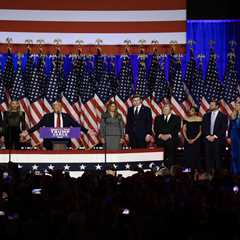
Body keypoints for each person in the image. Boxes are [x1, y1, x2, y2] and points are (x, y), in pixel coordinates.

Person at [21, 101, 94, 150]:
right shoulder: (47, 117)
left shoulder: (66, 116)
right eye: (55, 106)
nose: (57, 107)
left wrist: (87, 131)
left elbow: (76, 125)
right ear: (52, 107)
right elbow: (38, 126)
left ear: (61, 107)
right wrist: (28, 132)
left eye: (58, 106)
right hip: (50, 141)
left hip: (64, 141)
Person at [202, 100, 228, 173]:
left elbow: (223, 128)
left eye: (212, 105)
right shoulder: (206, 115)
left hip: (218, 141)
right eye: (210, 105)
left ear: (217, 106)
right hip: (207, 140)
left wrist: (214, 136)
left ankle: (218, 176)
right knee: (208, 158)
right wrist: (208, 136)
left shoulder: (223, 116)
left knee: (217, 159)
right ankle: (208, 175)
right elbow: (203, 127)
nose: (210, 106)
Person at [154, 104, 181, 168]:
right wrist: (160, 135)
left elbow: (177, 129)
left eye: (166, 109)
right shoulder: (158, 118)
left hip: (171, 141)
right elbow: (155, 129)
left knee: (171, 159)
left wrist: (169, 135)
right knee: (160, 159)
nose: (164, 110)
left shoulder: (176, 118)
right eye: (163, 109)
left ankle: (171, 171)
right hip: (160, 141)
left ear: (171, 110)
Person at [183, 106, 202, 171]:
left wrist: (194, 139)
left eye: (192, 110)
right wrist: (187, 139)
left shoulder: (200, 119)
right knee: (188, 155)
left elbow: (201, 131)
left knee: (196, 155)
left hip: (197, 140)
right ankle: (188, 170)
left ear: (196, 112)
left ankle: (197, 170)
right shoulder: (186, 119)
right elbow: (184, 130)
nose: (190, 111)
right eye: (190, 110)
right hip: (188, 140)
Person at [229, 101, 240, 174]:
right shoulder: (233, 115)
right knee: (234, 155)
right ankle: (235, 172)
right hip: (234, 137)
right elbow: (230, 127)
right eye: (235, 105)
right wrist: (229, 137)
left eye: (237, 105)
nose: (236, 106)